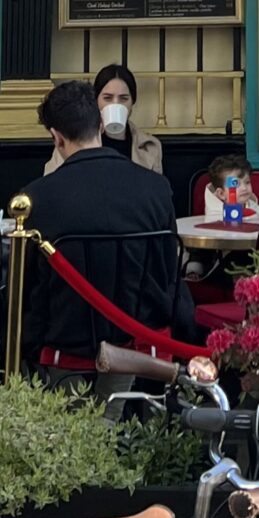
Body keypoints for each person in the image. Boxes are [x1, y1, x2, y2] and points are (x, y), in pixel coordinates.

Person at [23, 78, 194, 368]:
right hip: (142, 332)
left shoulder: (36, 198)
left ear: (56, 137)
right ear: (101, 125)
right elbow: (167, 269)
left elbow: (28, 288)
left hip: (66, 339)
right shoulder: (156, 188)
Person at [42, 61, 164, 176]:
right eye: (107, 98)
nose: (115, 104)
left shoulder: (149, 145)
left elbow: (156, 189)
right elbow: (53, 179)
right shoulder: (75, 140)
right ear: (96, 101)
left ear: (132, 102)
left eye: (123, 98)